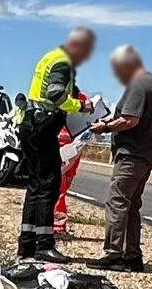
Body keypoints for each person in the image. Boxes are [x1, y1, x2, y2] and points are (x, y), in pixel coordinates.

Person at [17, 28, 95, 261]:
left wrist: (78, 94)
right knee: (49, 186)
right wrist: (81, 107)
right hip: (42, 129)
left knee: (36, 187)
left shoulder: (52, 57)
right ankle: (44, 245)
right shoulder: (64, 62)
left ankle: (27, 245)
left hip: (31, 127)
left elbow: (60, 87)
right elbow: (55, 93)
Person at [89, 45, 152, 271]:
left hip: (132, 154)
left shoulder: (138, 85)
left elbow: (130, 119)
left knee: (118, 202)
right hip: (145, 154)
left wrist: (105, 127)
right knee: (131, 205)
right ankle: (132, 255)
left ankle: (114, 254)